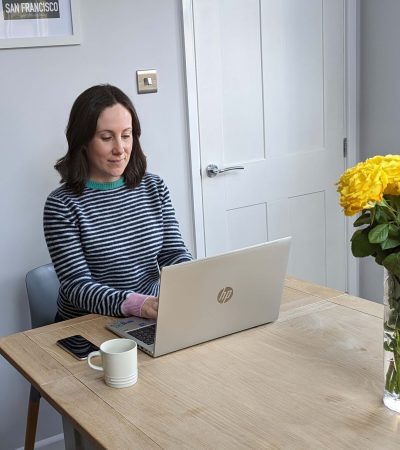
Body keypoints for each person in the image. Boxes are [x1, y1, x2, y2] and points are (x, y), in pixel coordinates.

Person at [43, 84, 192, 322]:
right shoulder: (62, 205)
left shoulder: (154, 187)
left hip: (151, 315)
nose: (120, 149)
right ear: (83, 141)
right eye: (106, 137)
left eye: (126, 135)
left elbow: (172, 253)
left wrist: (194, 279)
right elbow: (76, 286)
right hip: (88, 324)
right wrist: (138, 304)